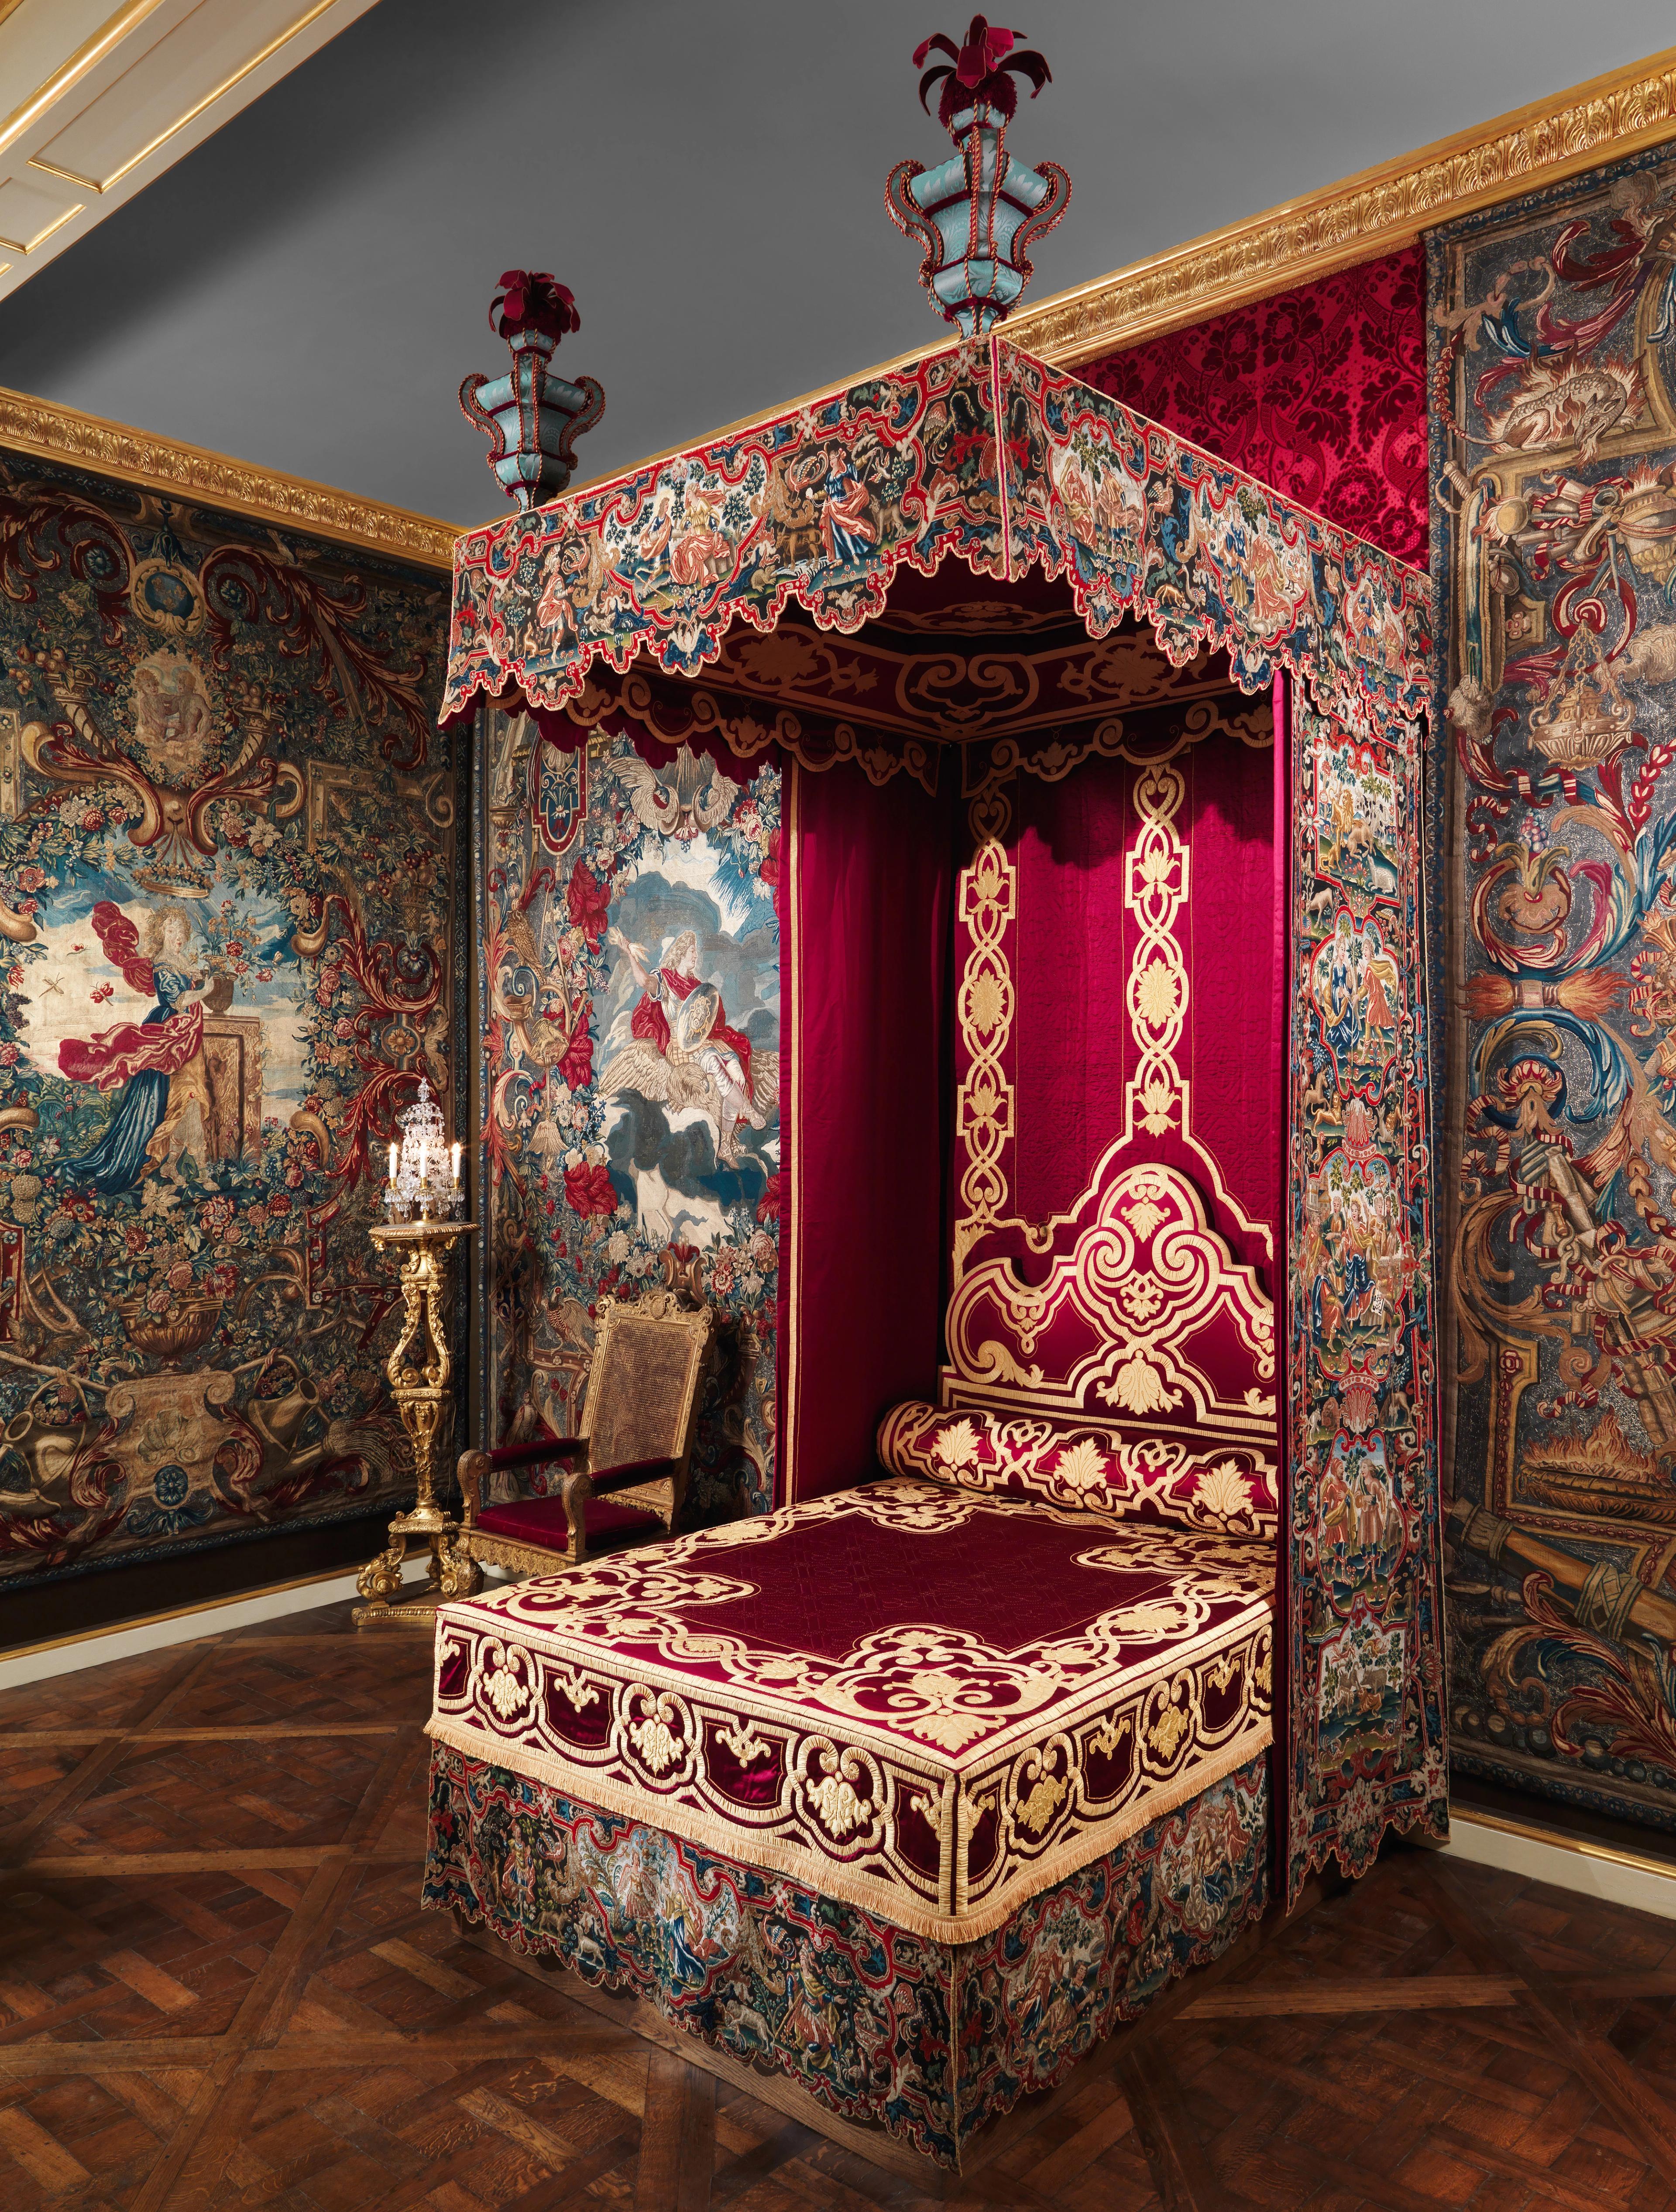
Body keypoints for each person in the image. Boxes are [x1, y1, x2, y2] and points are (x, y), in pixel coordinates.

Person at [59, 903, 212, 1194]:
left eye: (181, 930)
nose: (177, 936)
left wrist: (199, 974)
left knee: (188, 1097)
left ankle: (174, 1165)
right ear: (161, 933)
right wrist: (204, 991)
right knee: (171, 1096)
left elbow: (187, 980)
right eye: (171, 929)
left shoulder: (178, 960)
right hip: (171, 1032)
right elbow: (176, 999)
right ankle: (147, 1159)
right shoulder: (163, 962)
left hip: (188, 1033)